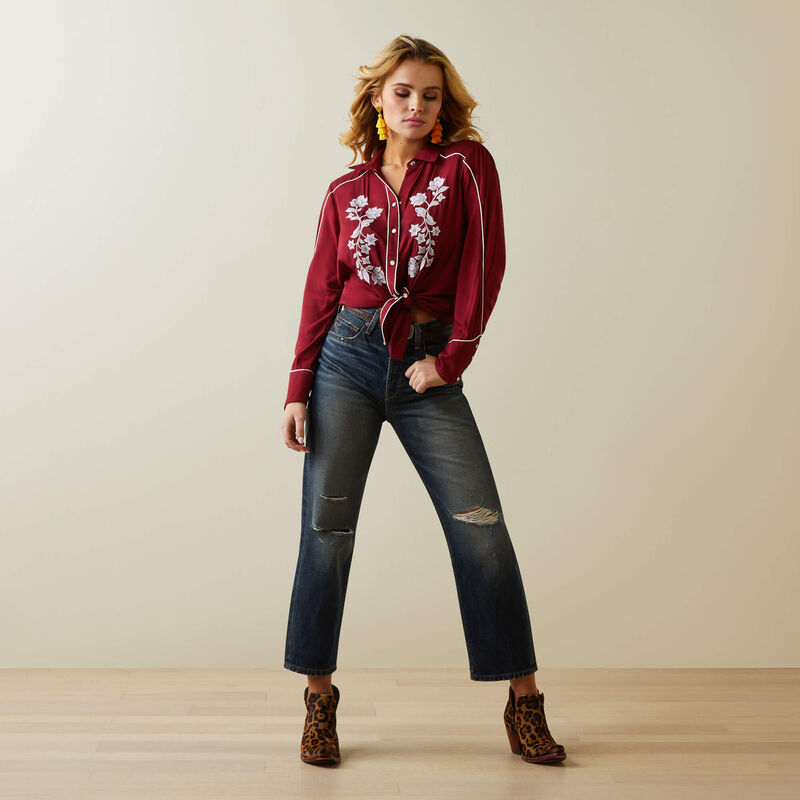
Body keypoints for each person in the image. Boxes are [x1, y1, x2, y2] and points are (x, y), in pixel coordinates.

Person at [280, 34, 566, 766]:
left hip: (424, 362)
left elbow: (485, 262)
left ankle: (524, 700)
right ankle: (319, 702)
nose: (416, 105)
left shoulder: (467, 166)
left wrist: (451, 359)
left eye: (430, 95)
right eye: (403, 92)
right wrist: (297, 386)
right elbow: (321, 288)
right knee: (326, 531)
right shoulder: (345, 191)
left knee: (480, 528)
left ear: (444, 105)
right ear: (379, 99)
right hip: (343, 360)